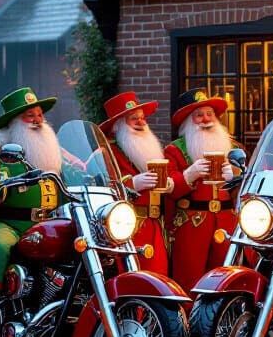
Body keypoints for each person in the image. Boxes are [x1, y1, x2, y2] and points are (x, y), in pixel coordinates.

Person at [0, 87, 64, 337]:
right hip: (6, 223)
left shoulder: (50, 153)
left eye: (39, 115)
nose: (37, 120)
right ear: (14, 122)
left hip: (46, 225)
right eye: (29, 116)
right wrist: (3, 183)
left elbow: (77, 176)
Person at [164, 89, 240, 298]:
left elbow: (248, 186)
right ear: (189, 121)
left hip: (226, 222)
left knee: (227, 276)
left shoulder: (233, 147)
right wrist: (189, 174)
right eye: (199, 115)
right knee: (189, 278)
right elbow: (167, 189)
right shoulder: (175, 150)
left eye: (209, 114)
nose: (205, 119)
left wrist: (235, 175)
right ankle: (187, 322)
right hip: (192, 223)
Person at [99, 91, 170, 273]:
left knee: (159, 277)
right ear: (119, 125)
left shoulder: (150, 147)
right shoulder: (109, 152)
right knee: (133, 278)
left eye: (142, 118)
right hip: (127, 226)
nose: (141, 122)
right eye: (134, 119)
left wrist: (169, 183)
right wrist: (132, 184)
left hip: (155, 224)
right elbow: (103, 187)